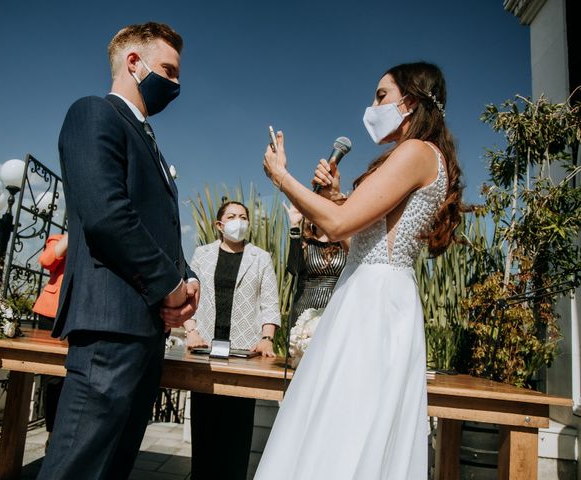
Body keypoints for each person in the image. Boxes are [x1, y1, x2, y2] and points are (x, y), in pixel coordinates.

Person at [256, 62, 463, 479]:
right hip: (373, 289)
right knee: (351, 426)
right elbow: (361, 244)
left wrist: (282, 177)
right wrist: (336, 196)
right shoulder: (421, 155)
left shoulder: (416, 152)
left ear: (408, 101)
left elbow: (336, 226)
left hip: (373, 305)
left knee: (344, 424)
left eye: (381, 96)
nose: (372, 105)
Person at [37, 22, 199, 480]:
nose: (176, 84)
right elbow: (107, 215)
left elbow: (160, 227)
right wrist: (168, 287)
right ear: (134, 62)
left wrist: (188, 280)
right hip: (111, 327)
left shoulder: (149, 139)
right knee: (77, 466)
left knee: (113, 467)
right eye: (168, 70)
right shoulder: (94, 113)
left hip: (145, 332)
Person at [183, 200, 281, 480]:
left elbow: (270, 301)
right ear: (219, 224)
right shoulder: (202, 254)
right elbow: (188, 294)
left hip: (244, 353)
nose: (239, 220)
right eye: (232, 216)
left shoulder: (260, 257)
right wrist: (191, 331)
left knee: (237, 429)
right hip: (205, 348)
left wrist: (266, 337)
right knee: (205, 426)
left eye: (243, 216)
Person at [32, 232, 68, 449]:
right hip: (51, 315)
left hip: (80, 314)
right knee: (53, 378)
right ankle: (52, 433)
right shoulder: (58, 237)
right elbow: (46, 261)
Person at [284, 202, 348, 321]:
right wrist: (294, 225)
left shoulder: (345, 243)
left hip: (338, 308)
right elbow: (294, 269)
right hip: (304, 310)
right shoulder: (304, 242)